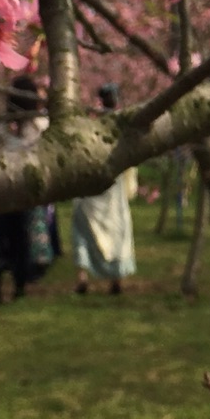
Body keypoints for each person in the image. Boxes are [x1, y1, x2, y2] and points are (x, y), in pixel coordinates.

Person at [0, 74, 52, 305]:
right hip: (22, 192)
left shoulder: (8, 125)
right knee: (20, 240)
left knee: (2, 241)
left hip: (4, 191)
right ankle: (16, 287)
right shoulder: (37, 126)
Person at [73, 84, 138, 295]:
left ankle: (83, 277)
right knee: (116, 229)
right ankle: (115, 279)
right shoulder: (123, 124)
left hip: (95, 186)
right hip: (113, 187)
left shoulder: (94, 124)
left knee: (84, 228)